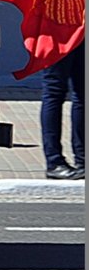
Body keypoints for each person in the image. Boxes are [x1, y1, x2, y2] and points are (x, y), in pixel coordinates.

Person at [40, 41, 85, 179]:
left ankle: (83, 160)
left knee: (83, 94)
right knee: (54, 91)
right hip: (56, 31)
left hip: (81, 29)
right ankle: (54, 162)